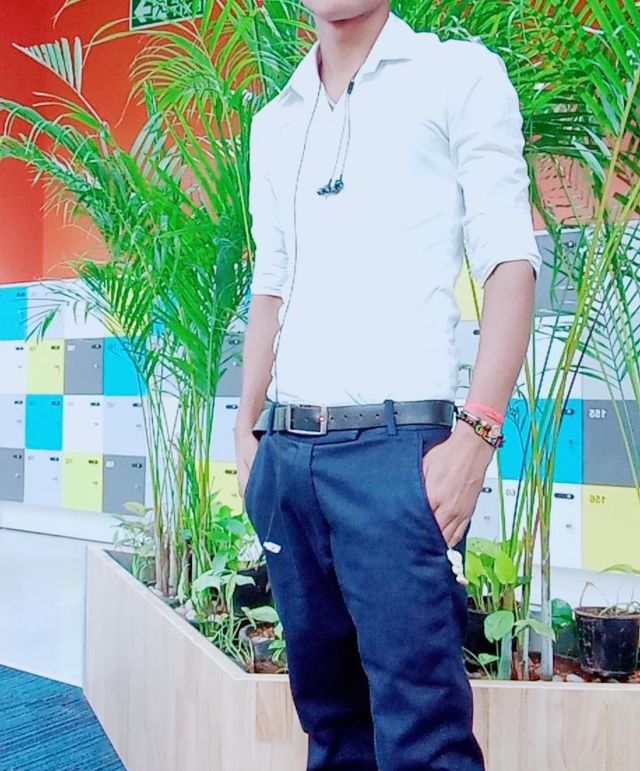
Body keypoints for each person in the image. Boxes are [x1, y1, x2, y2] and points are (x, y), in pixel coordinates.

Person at [234, 1, 541, 769]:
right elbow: (271, 281)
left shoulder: (456, 75)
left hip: (398, 458)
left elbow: (509, 259)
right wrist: (246, 433)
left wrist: (475, 438)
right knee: (333, 729)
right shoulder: (276, 121)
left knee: (422, 740)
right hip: (288, 461)